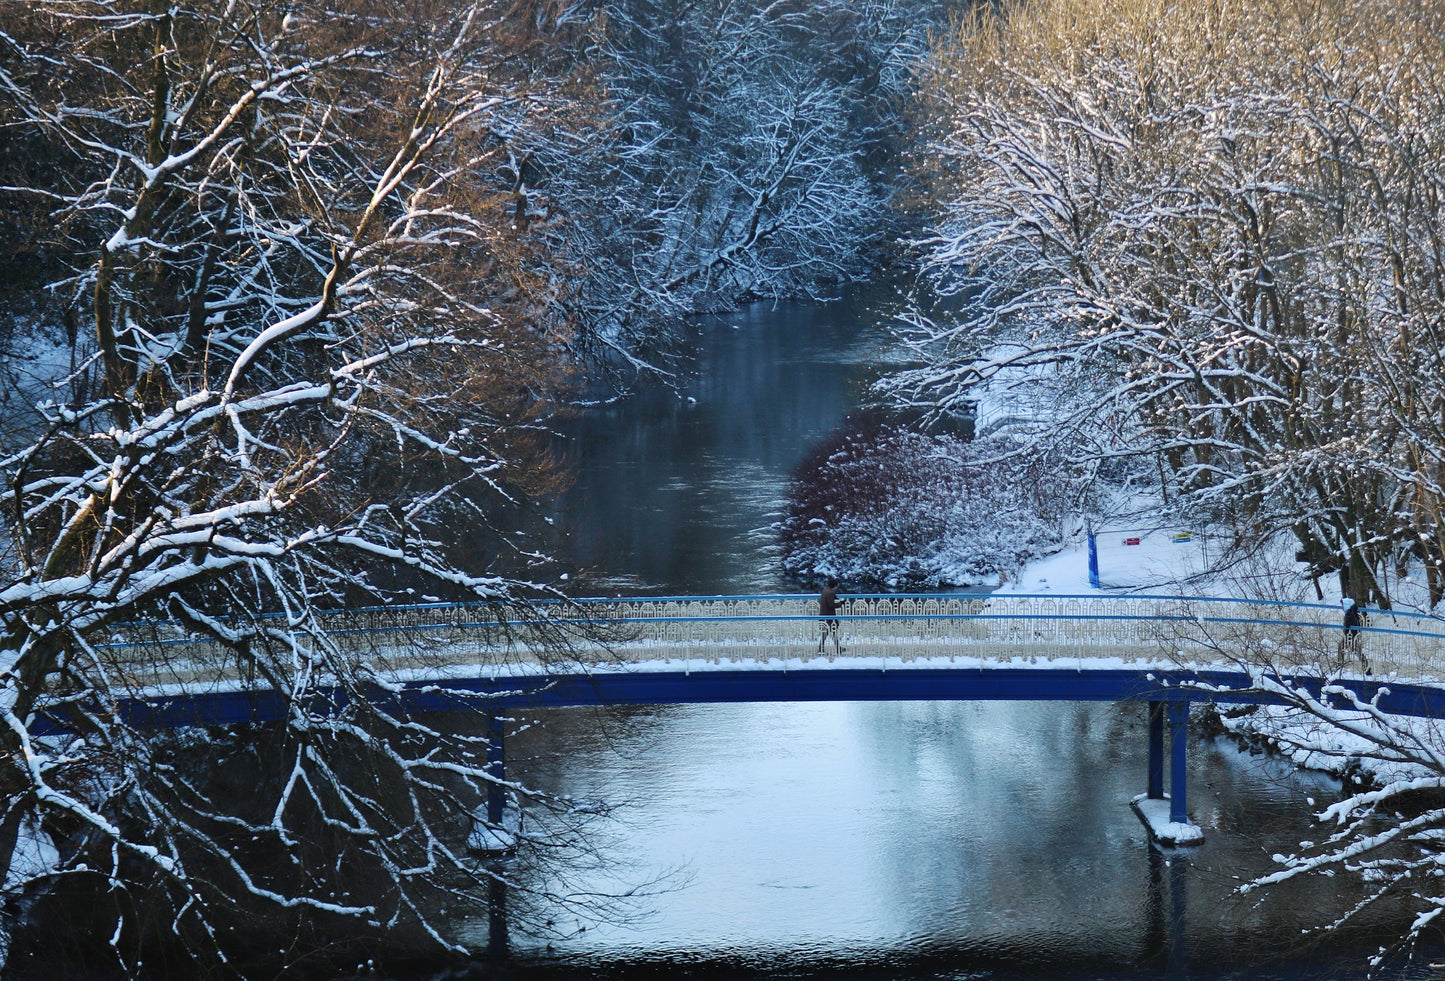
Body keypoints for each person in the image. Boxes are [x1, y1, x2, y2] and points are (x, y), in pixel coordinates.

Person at [1340, 597, 1370, 674]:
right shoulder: (1353, 612)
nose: (1342, 607)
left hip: (1351, 636)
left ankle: (1340, 665)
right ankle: (1366, 666)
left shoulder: (1350, 614)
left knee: (1342, 647)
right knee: (1356, 651)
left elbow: (1348, 625)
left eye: (1343, 605)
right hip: (1353, 635)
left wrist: (1347, 632)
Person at [817, 577, 843, 655]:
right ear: (834, 586)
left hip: (824, 614)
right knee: (829, 631)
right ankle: (822, 648)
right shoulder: (830, 593)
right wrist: (841, 603)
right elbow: (831, 605)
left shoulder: (825, 590)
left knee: (829, 631)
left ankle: (837, 647)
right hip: (829, 616)